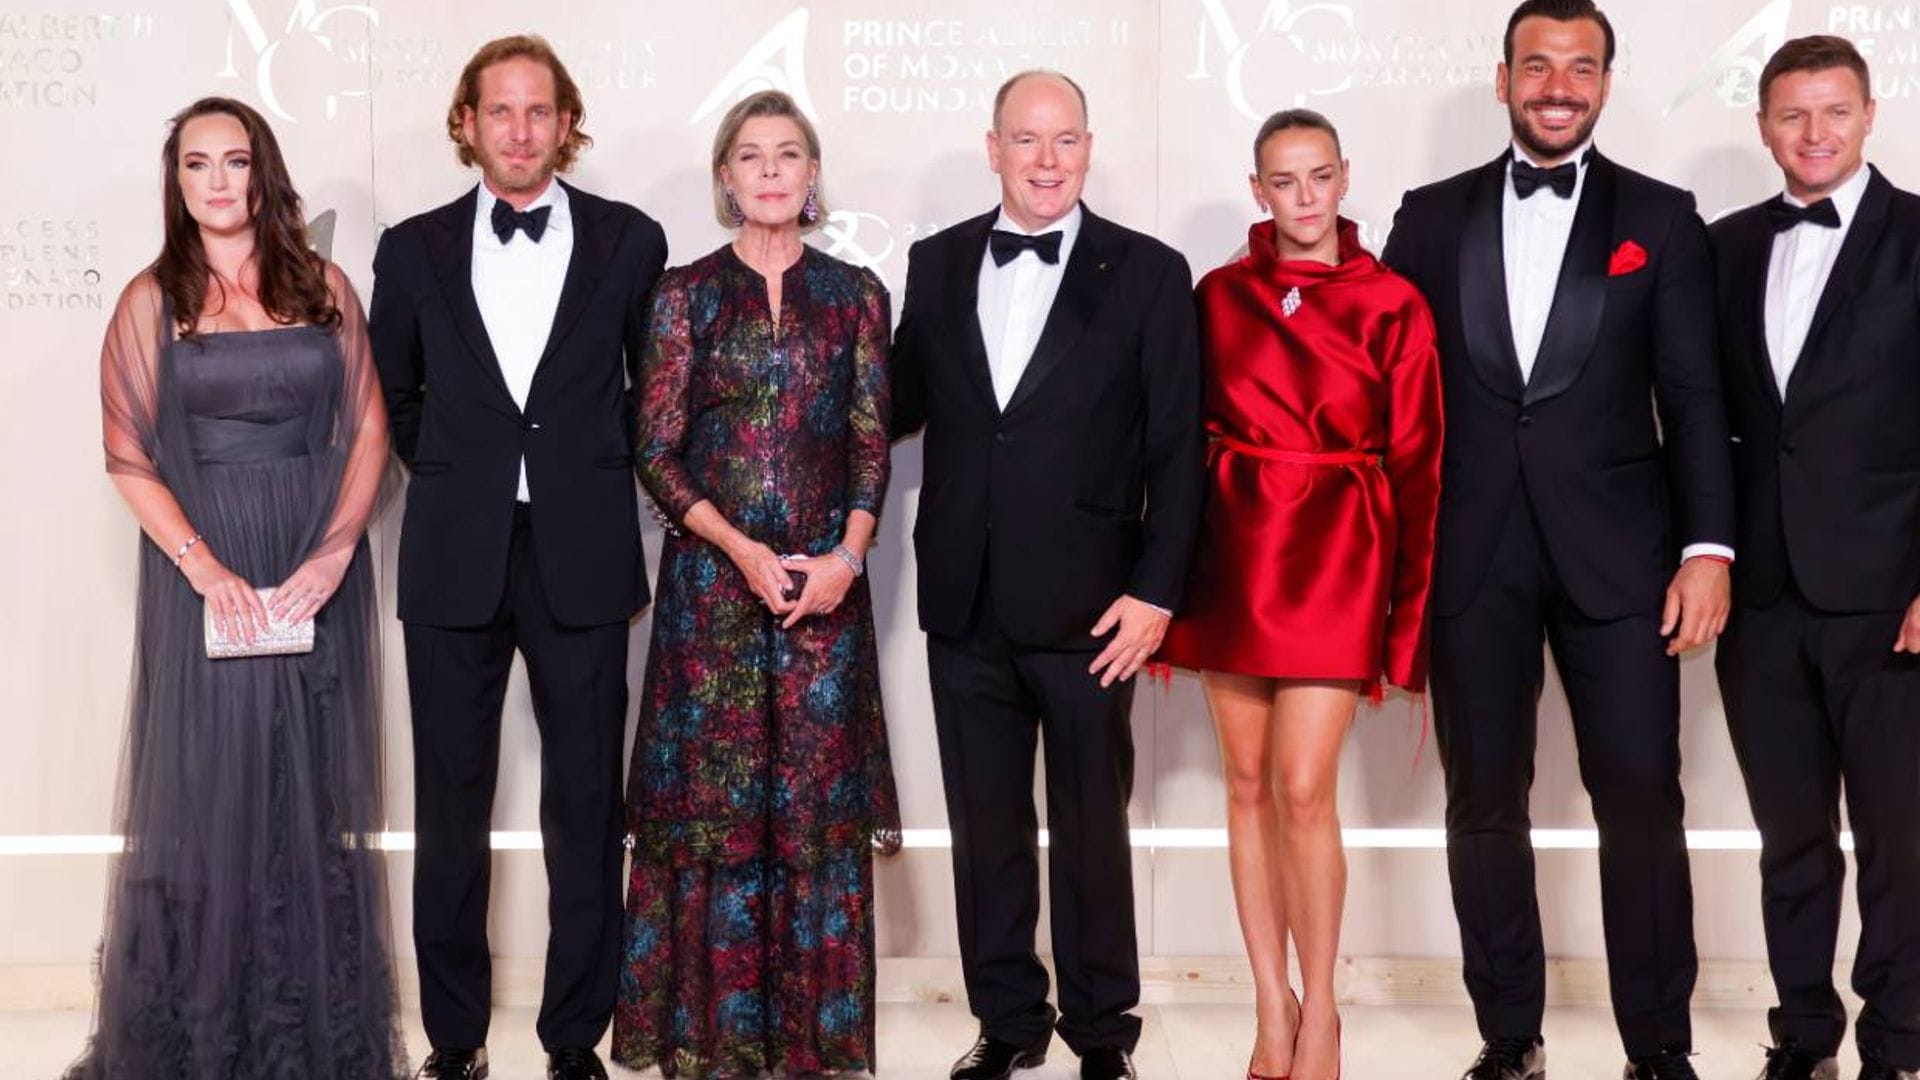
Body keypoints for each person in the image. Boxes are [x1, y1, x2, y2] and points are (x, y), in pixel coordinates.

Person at [1379, 1, 1736, 1077]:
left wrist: (1707, 547)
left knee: (1641, 796)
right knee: (1483, 802)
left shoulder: (1663, 218)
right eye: (1538, 65)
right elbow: (1388, 392)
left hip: (1623, 562)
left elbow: (1694, 390)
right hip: (1468, 557)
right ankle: (1509, 1038)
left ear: (1606, 84)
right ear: (1504, 81)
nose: (1558, 86)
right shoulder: (1429, 216)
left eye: (1581, 67)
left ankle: (1659, 1047)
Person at [69, 96, 402, 1079]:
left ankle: (308, 1035)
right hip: (204, 574)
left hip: (311, 563)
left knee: (310, 794)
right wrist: (206, 570)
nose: (218, 182)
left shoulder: (325, 284)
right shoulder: (149, 300)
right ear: (175, 185)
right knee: (214, 795)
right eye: (197, 166)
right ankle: (209, 1034)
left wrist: (335, 552)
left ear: (265, 173)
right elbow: (126, 455)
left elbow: (372, 427)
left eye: (236, 162)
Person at [891, 69, 1206, 1080]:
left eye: (1064, 140)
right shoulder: (936, 264)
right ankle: (1009, 1023)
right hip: (965, 598)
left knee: (1089, 835)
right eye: (1026, 140)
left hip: (1095, 608)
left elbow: (1177, 454)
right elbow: (890, 405)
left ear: (1089, 146)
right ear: (993, 148)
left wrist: (1157, 591)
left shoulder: (1151, 272)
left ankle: (1103, 1034)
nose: (1045, 160)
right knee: (987, 834)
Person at [367, 35, 667, 1080]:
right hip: (455, 554)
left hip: (582, 555)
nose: (521, 131)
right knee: (451, 802)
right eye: (501, 112)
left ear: (568, 124)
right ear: (467, 125)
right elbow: (393, 395)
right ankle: (454, 1040)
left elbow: (652, 397)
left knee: (586, 806)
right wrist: (461, 476)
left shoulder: (632, 242)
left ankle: (574, 1035)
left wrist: (580, 478)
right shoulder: (410, 251)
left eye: (540, 112)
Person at [613, 88, 901, 1078]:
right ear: (727, 180)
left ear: (812, 176)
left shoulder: (858, 294)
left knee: (815, 810)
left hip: (827, 599)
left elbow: (872, 447)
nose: (771, 169)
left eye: (789, 154)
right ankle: (716, 1034)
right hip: (712, 595)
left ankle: (812, 1043)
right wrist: (738, 550)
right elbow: (654, 449)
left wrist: (844, 561)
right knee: (718, 808)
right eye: (751, 155)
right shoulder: (683, 293)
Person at [1157, 108, 1442, 1080]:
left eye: (1321, 176)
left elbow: (1421, 469)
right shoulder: (1218, 295)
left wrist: (1409, 627)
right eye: (1286, 181)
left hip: (1338, 554)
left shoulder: (1393, 302)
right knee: (1245, 787)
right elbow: (1176, 438)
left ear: (1345, 176)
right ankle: (1268, 1006)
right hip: (1233, 555)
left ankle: (1321, 1011)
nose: (1306, 197)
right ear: (1259, 191)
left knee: (1305, 788)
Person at [1710, 35, 1920, 1080]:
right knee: (1790, 837)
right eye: (1792, 115)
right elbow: (1702, 417)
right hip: (1760, 594)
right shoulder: (1727, 245)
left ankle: (1899, 1041)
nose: (1814, 134)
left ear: (1871, 114)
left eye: (1834, 111)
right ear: (1763, 127)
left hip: (1889, 593)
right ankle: (1803, 1034)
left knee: (1900, 840)